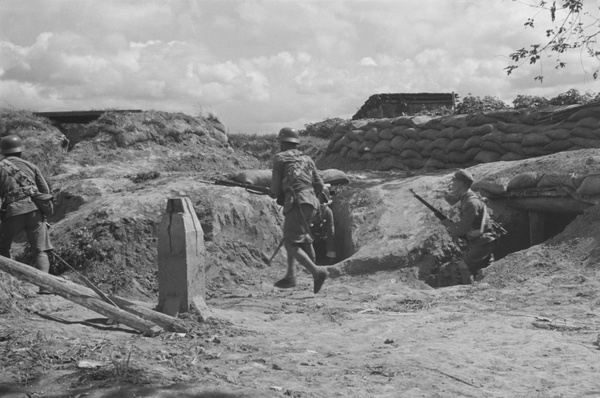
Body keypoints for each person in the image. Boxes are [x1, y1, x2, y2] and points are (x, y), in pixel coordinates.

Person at [270, 127, 328, 294]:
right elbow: (319, 184)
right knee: (294, 238)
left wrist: (276, 193)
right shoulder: (307, 159)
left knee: (289, 243)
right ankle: (290, 276)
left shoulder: (280, 158)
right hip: (312, 202)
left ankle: (317, 272)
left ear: (283, 144)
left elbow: (274, 188)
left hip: (297, 202)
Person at [0, 134, 54, 294]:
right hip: (35, 212)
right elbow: (45, 191)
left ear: (3, 152)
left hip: (13, 212)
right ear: (20, 152)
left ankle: (8, 284)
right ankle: (45, 286)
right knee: (41, 251)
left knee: (3, 248)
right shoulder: (31, 166)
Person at [440, 169, 497, 285]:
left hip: (482, 241)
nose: (452, 184)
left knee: (464, 265)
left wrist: (448, 224)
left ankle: (468, 293)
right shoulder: (466, 198)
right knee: (486, 267)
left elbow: (464, 228)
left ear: (461, 183)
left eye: (454, 181)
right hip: (483, 240)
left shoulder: (471, 202)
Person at [310, 186, 337, 264]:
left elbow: (330, 232)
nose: (318, 199)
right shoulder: (306, 210)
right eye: (316, 196)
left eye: (320, 197)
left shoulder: (327, 212)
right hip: (308, 242)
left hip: (321, 242)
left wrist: (331, 253)